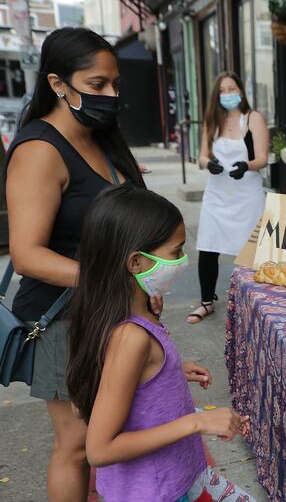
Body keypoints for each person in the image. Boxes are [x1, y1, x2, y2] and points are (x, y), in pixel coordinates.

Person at [5, 27, 149, 501]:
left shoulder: (101, 136)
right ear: (57, 83)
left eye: (115, 84)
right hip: (64, 321)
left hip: (112, 315)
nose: (111, 95)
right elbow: (28, 255)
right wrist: (114, 281)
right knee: (77, 444)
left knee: (110, 433)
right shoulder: (39, 151)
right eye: (97, 85)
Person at [66, 185, 250, 501]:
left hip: (177, 476)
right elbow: (99, 448)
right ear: (135, 262)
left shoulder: (134, 312)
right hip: (156, 491)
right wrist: (197, 421)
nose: (182, 259)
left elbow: (128, 383)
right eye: (176, 252)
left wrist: (171, 371)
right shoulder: (130, 338)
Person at [188, 72, 269, 324]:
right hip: (217, 195)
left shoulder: (252, 119)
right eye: (222, 90)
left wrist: (246, 165)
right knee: (208, 246)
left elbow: (263, 158)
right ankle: (206, 302)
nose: (227, 94)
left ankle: (256, 304)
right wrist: (207, 164)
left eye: (231, 88)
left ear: (241, 91)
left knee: (251, 251)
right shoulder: (212, 120)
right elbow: (202, 155)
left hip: (247, 195)